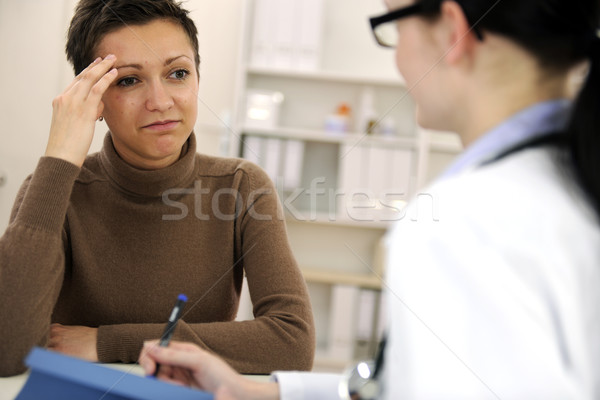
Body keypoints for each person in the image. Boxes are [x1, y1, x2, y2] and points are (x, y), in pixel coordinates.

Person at [139, 0, 600, 398]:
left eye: (394, 30)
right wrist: (259, 392)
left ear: (454, 33)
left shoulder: (465, 224)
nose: (398, 57)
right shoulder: (568, 184)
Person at [0, 0, 315, 377]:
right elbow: (7, 351)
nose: (161, 102)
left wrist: (109, 342)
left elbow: (292, 343)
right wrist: (60, 156)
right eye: (129, 80)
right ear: (93, 98)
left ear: (198, 77)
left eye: (178, 73)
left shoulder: (241, 187)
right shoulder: (53, 189)